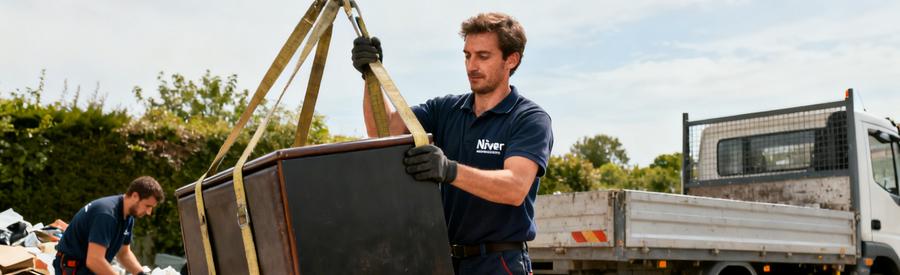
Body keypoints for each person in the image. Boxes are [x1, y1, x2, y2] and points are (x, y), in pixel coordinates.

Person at [353, 12, 553, 275]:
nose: (471, 65)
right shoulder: (446, 109)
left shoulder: (528, 118)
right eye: (467, 55)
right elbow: (383, 132)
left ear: (511, 60)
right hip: (445, 261)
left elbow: (515, 188)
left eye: (483, 56)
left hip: (499, 262)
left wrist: (449, 170)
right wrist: (371, 74)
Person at [53, 176, 163, 275]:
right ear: (135, 196)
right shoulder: (107, 214)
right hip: (73, 268)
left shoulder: (128, 217)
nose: (149, 212)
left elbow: (123, 253)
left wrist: (140, 274)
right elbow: (94, 260)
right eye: (147, 206)